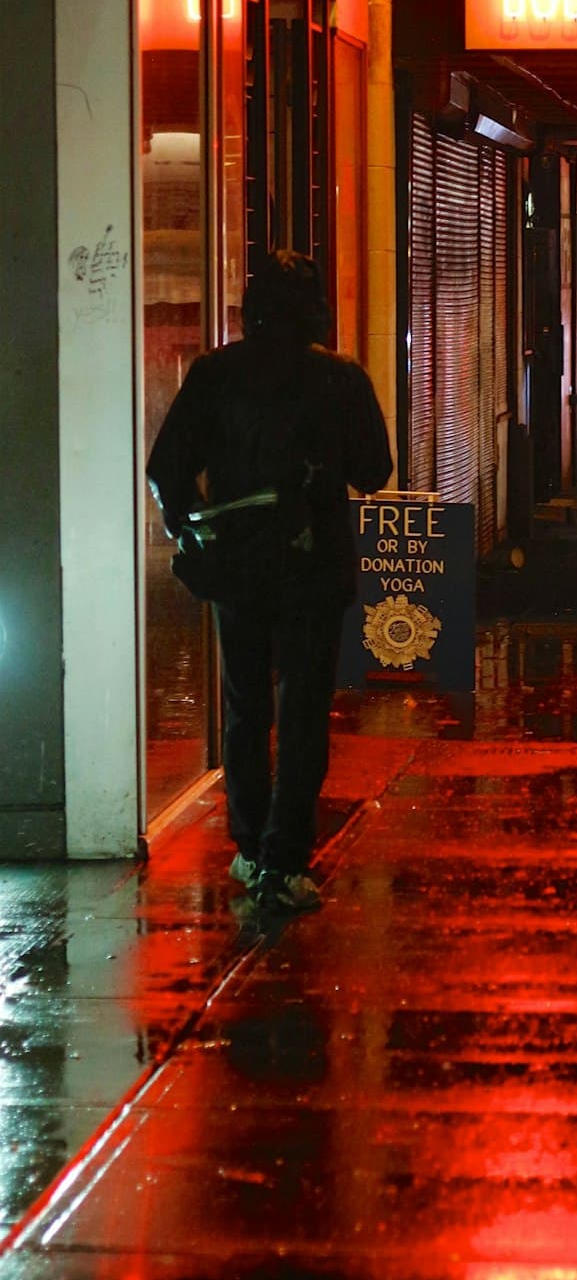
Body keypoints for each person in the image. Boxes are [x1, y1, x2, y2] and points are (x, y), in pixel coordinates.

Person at [146, 251, 391, 914]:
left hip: (239, 569)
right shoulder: (339, 380)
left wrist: (189, 529)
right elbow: (375, 471)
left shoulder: (213, 375)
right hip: (312, 570)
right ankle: (285, 859)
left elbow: (165, 467)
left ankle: (250, 845)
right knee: (304, 710)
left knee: (246, 710)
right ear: (313, 311)